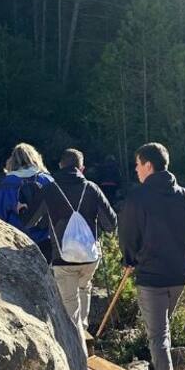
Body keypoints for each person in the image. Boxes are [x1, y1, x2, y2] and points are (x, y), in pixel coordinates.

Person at [119, 142, 185, 370]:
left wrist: (129, 260)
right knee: (162, 331)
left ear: (148, 165)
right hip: (179, 275)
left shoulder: (138, 198)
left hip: (151, 276)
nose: (136, 169)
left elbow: (127, 237)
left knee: (158, 335)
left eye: (137, 164)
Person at [22, 148, 117, 348]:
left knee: (69, 307)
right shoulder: (92, 189)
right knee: (84, 288)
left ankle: (76, 353)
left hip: (63, 259)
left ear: (60, 166)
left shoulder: (49, 190)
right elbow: (111, 224)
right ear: (81, 168)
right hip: (90, 258)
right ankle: (85, 340)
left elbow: (29, 221)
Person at [0, 143, 53, 259]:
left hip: (16, 244)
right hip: (46, 243)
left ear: (12, 161)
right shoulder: (48, 180)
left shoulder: (8, 183)